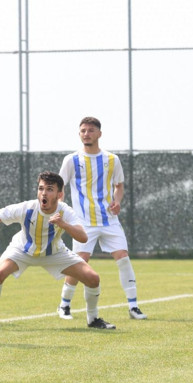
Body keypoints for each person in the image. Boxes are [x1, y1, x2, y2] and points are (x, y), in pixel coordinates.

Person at [0, 171, 117, 330]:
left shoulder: (65, 211)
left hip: (54, 254)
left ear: (59, 194)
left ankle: (93, 319)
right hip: (22, 251)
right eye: (41, 188)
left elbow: (83, 237)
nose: (44, 193)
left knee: (93, 278)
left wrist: (63, 224)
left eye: (49, 189)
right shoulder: (27, 208)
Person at [56, 116, 147, 321]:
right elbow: (60, 188)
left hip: (109, 220)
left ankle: (133, 306)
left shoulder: (112, 160)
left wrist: (117, 201)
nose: (86, 134)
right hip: (83, 222)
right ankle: (64, 305)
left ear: (99, 133)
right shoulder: (71, 160)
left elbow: (119, 186)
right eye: (83, 131)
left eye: (90, 130)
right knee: (80, 262)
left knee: (123, 257)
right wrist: (60, 213)